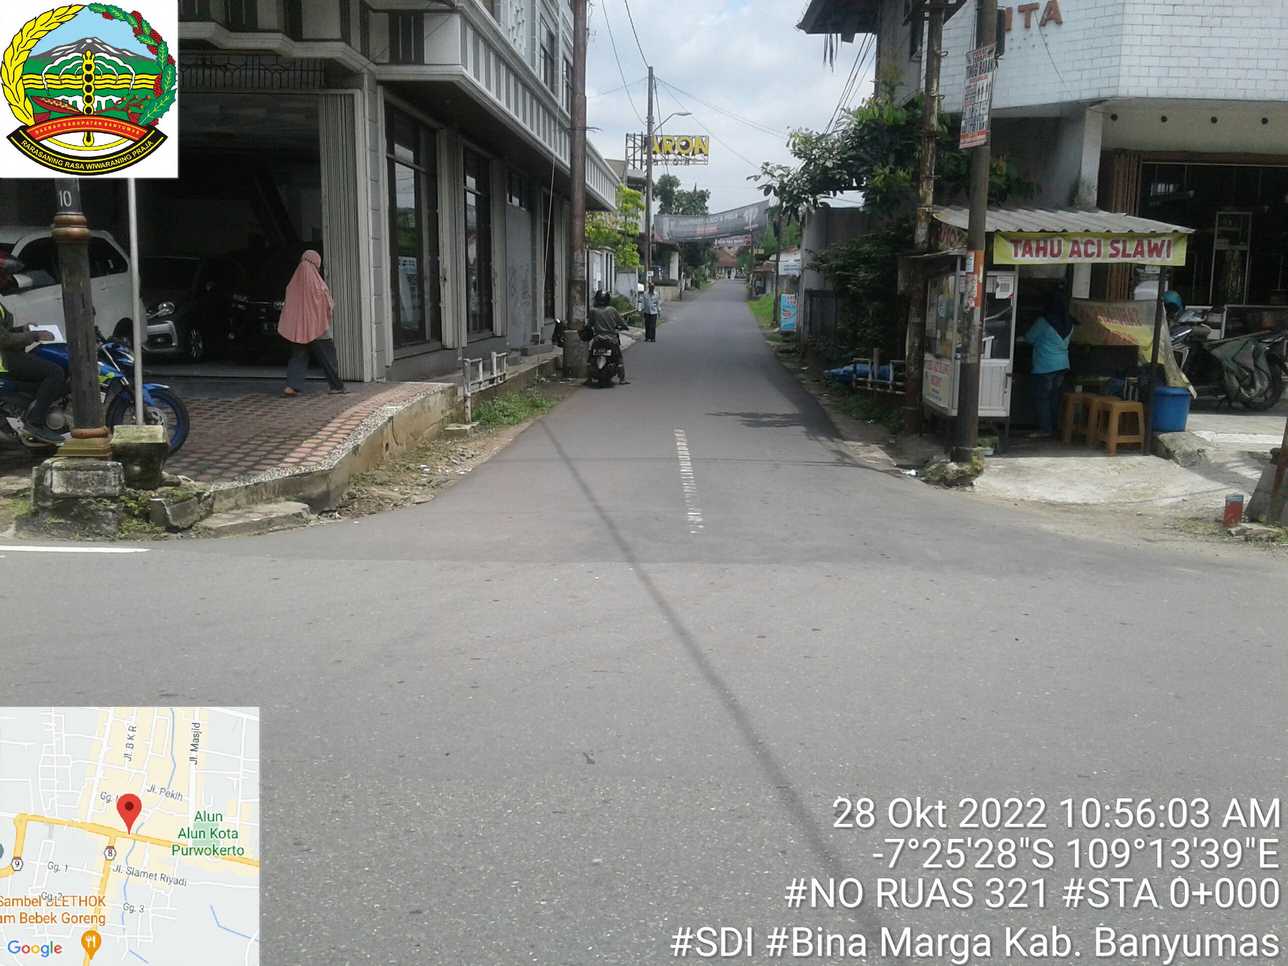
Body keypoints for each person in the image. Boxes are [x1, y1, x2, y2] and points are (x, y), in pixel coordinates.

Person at [278, 250, 346, 397]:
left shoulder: (293, 283)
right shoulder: (318, 284)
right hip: (319, 327)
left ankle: (292, 386)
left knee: (298, 355)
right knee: (327, 356)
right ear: (316, 263)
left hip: (298, 328)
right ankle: (336, 386)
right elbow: (328, 304)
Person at [0, 300, 63, 444]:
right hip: (4, 360)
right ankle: (35, 422)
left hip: (7, 355)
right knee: (55, 372)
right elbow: (3, 339)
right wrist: (34, 335)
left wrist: (23, 329)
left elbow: (4, 332)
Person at [1023, 290, 1074, 439]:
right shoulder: (1069, 323)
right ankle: (1054, 428)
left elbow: (1029, 338)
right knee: (1054, 398)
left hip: (1045, 366)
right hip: (1062, 365)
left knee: (1042, 398)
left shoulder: (1044, 322)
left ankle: (1045, 429)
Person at [584, 297, 628, 386]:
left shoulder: (593, 311)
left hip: (598, 339)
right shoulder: (612, 310)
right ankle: (622, 379)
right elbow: (621, 323)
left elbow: (589, 325)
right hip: (611, 339)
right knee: (619, 359)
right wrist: (624, 327)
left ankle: (589, 379)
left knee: (590, 359)